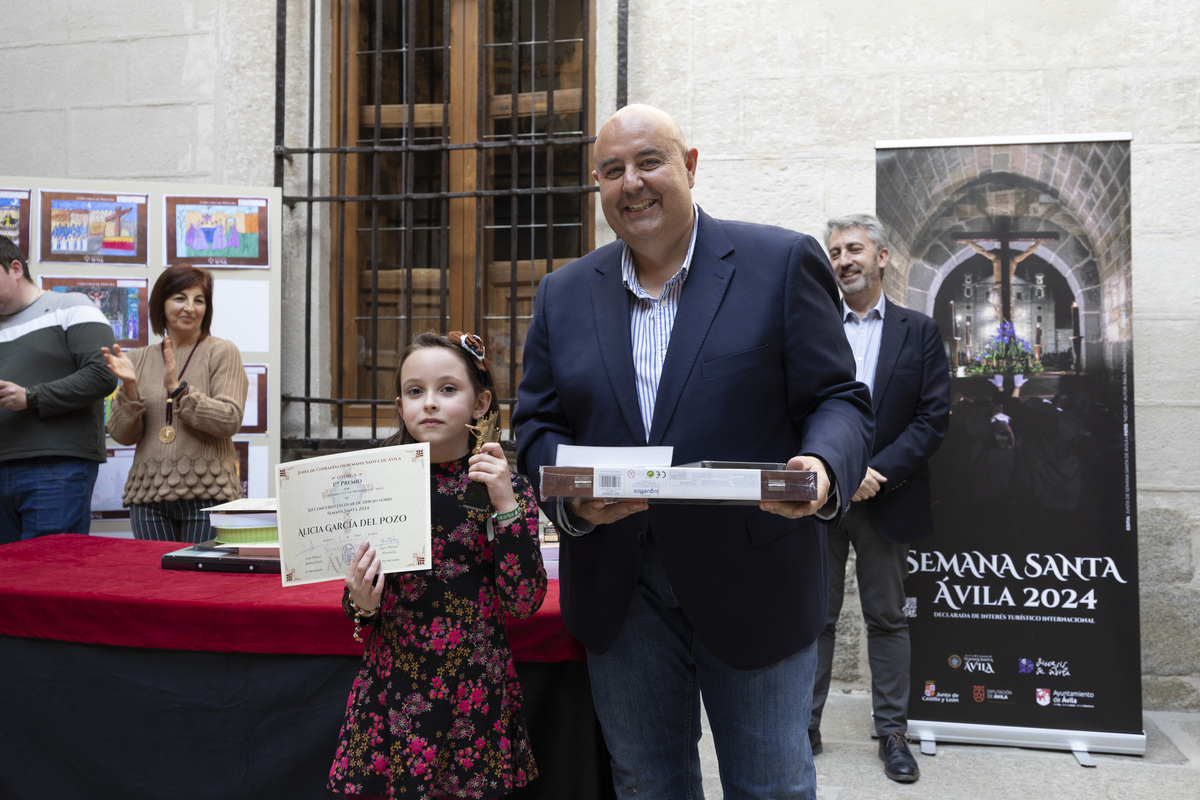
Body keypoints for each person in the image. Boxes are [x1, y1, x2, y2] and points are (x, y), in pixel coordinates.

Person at [512, 104, 874, 799]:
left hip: (755, 578)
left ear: (691, 165)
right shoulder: (563, 294)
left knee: (770, 786)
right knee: (648, 784)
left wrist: (824, 468)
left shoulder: (779, 261)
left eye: (649, 161)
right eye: (612, 170)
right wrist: (572, 496)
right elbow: (537, 424)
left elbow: (838, 399)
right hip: (622, 592)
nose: (632, 184)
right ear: (598, 185)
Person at [329, 331, 547, 799]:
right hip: (394, 684)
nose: (429, 403)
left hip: (475, 686)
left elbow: (525, 601)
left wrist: (505, 504)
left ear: (480, 402)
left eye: (447, 389)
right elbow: (357, 606)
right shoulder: (376, 486)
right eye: (415, 391)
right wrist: (363, 602)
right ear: (400, 405)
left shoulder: (507, 490)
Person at [809, 214, 951, 783]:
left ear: (883, 257)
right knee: (814, 618)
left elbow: (932, 417)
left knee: (887, 619)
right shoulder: (816, 327)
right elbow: (797, 406)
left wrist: (877, 471)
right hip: (820, 499)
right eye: (836, 251)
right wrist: (834, 470)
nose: (844, 260)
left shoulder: (919, 331)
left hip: (887, 498)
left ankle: (893, 733)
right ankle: (804, 725)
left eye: (854, 249)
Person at [102, 265, 247, 542]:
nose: (190, 307)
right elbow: (121, 434)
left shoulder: (221, 351)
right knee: (155, 585)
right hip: (148, 495)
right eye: (180, 298)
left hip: (209, 492)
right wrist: (130, 388)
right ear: (162, 304)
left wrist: (178, 390)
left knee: (200, 586)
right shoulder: (137, 359)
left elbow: (229, 419)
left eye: (199, 300)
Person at [0, 238, 117, 542]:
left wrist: (30, 397)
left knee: (49, 574)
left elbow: (103, 374)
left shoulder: (72, 306)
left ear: (15, 268)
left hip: (56, 466)